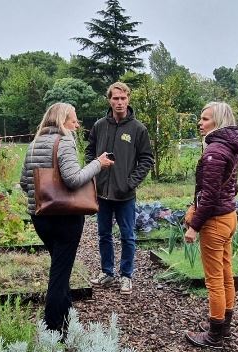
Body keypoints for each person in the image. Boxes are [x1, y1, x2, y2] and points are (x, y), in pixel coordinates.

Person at [20, 102, 114, 333]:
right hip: (65, 218)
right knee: (59, 274)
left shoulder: (34, 143)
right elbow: (73, 179)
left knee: (61, 267)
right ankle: (53, 328)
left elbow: (24, 182)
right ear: (63, 121)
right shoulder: (64, 141)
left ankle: (66, 317)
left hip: (40, 216)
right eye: (74, 119)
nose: (77, 123)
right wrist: (97, 164)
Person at [183, 102, 238, 349]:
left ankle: (214, 335)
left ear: (218, 121)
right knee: (226, 274)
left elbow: (209, 196)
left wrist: (194, 226)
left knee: (214, 280)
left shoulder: (215, 152)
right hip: (229, 217)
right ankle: (225, 327)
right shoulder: (230, 148)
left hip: (215, 221)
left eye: (205, 119)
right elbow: (231, 186)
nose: (200, 123)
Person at [86, 82, 154, 295]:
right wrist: (94, 171)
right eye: (115, 98)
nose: (119, 102)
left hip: (125, 195)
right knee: (103, 234)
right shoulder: (99, 126)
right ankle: (107, 272)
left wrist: (130, 182)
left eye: (123, 98)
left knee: (127, 235)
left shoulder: (138, 129)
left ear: (128, 99)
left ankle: (126, 275)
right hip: (102, 193)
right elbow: (89, 152)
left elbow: (146, 159)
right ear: (109, 100)